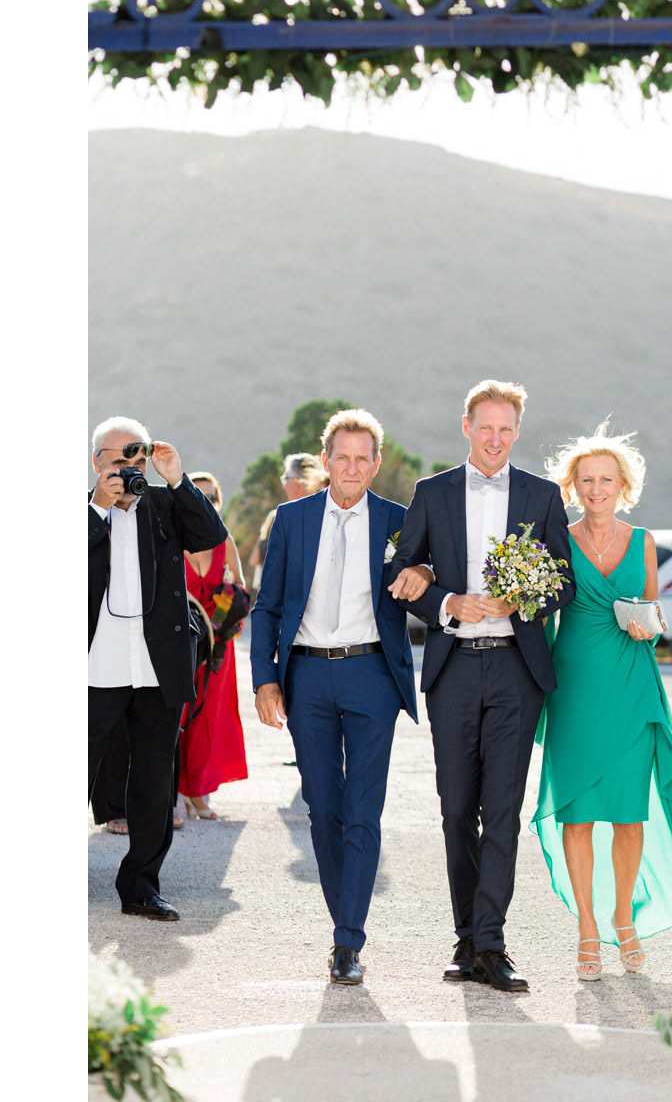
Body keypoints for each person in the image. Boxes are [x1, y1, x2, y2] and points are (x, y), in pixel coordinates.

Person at [386, 380, 576, 992]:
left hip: (518, 671)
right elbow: (400, 569)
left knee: (503, 812)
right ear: (466, 426)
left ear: (517, 431)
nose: (495, 439)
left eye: (506, 428)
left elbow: (564, 584)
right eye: (485, 427)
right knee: (454, 810)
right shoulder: (432, 492)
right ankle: (465, 937)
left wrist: (524, 596)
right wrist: (447, 602)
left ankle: (491, 945)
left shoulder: (543, 496)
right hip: (455, 670)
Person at [250, 410, 423, 985]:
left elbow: (426, 584)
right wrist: (264, 678)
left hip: (372, 675)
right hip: (306, 677)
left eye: (362, 458)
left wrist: (422, 573)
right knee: (323, 809)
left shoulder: (400, 522)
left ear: (376, 464)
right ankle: (343, 922)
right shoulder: (292, 519)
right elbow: (267, 606)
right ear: (326, 461)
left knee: (363, 811)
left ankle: (348, 939)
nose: (351, 468)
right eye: (341, 457)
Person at [531, 424, 672, 980]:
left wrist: (651, 625)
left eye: (606, 479)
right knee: (576, 816)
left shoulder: (645, 542)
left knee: (628, 816)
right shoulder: (555, 541)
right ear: (572, 487)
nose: (596, 488)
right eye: (586, 479)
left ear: (624, 485)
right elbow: (540, 613)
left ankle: (625, 920)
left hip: (631, 687)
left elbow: (650, 609)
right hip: (574, 688)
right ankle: (586, 929)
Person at [88, 417, 227, 921]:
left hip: (154, 667)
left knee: (154, 783)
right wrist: (98, 509)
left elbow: (211, 535)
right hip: (92, 668)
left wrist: (177, 477)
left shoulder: (166, 502)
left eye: (136, 457)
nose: (128, 467)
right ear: (97, 461)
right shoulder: (82, 510)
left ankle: (141, 887)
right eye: (118, 458)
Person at [178, 471, 249, 820]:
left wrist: (221, 618)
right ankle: (174, 790)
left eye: (210, 496)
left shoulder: (225, 542)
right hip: (179, 640)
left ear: (218, 503)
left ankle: (198, 790)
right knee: (176, 714)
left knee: (208, 719)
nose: (204, 501)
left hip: (218, 643)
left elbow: (241, 589)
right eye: (197, 495)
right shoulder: (172, 538)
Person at [250, 453, 323, 591]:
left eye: (285, 478)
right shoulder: (326, 512)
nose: (283, 485)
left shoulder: (284, 517)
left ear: (296, 481)